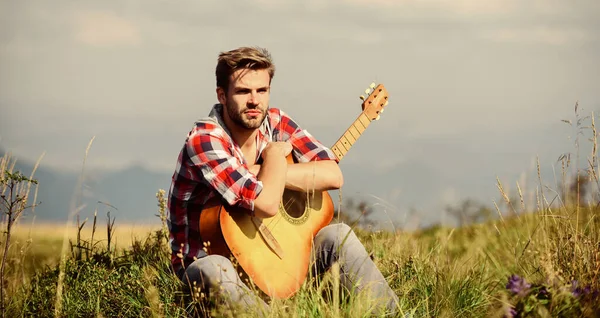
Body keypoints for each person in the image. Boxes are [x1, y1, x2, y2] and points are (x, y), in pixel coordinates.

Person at [166, 46, 398, 316]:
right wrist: (274, 155)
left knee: (338, 235)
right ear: (222, 95)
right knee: (211, 269)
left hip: (278, 258)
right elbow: (265, 204)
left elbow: (332, 175)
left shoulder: (276, 121)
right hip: (214, 269)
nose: (254, 101)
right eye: (243, 91)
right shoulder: (205, 139)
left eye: (261, 91)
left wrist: (275, 173)